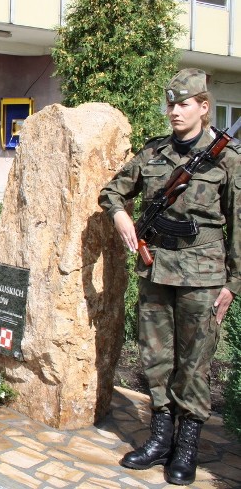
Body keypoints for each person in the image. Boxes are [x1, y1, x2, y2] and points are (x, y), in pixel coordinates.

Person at [99, 68, 240, 486]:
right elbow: (111, 191)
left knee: (195, 365)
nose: (175, 111)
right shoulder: (153, 153)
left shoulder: (228, 161)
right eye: (171, 104)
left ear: (203, 106)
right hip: (157, 269)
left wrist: (234, 284)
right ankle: (160, 438)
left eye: (183, 103)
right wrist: (122, 215)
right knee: (156, 358)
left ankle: (187, 446)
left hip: (203, 275)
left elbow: (239, 224)